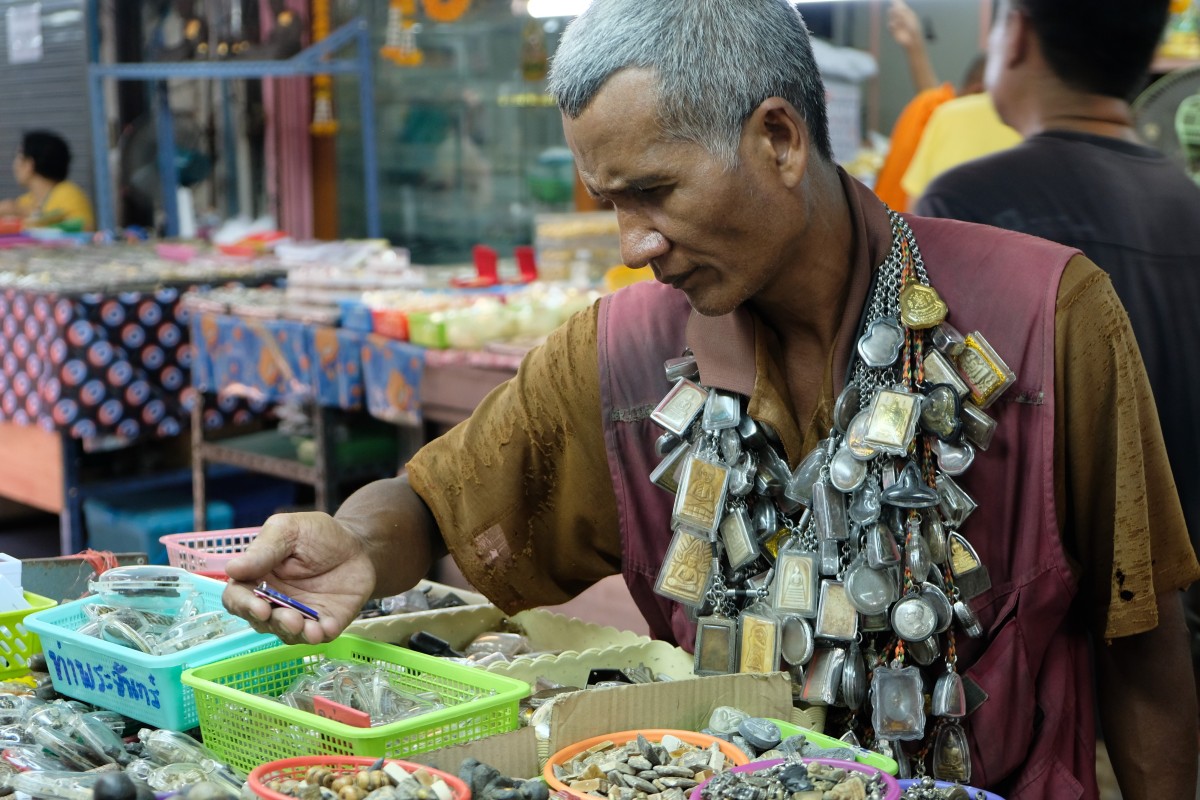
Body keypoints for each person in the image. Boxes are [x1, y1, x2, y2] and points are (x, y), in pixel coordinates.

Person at [222, 2, 1198, 797]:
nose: (631, 241)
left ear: (778, 137)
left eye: (653, 191)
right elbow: (436, 498)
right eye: (610, 200)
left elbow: (1142, 636)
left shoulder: (1042, 318)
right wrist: (355, 538)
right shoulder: (622, 355)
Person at [913, 0, 1200, 750]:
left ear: (1020, 38)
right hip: (1176, 622)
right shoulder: (1187, 203)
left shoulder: (968, 208)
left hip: (1037, 649)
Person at [873, 0, 986, 211]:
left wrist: (914, 44)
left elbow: (934, 98)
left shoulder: (935, 109)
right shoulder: (948, 118)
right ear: (978, 92)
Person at [0, 130, 94, 231]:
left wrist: (26, 215)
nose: (14, 165)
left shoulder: (68, 193)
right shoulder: (25, 201)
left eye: (18, 158)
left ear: (29, 164)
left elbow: (84, 229)